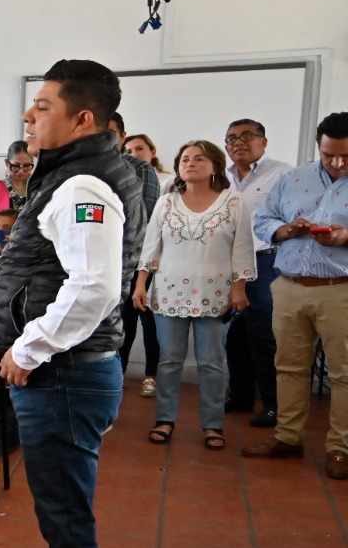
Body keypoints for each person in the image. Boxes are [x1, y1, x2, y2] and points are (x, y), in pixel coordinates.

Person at [0, 59, 144, 548]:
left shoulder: (85, 185)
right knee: (60, 518)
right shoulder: (79, 173)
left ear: (83, 118)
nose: (30, 115)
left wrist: (30, 345)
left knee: (68, 520)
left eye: (43, 106)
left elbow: (96, 287)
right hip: (65, 374)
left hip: (66, 376)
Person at [243, 112, 348, 480]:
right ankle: (288, 437)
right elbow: (263, 220)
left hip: (340, 291)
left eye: (346, 157)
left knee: (344, 374)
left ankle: (340, 449)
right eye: (329, 155)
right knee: (288, 367)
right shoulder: (294, 179)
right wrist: (286, 230)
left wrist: (344, 237)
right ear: (318, 147)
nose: (337, 164)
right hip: (289, 287)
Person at [134, 140, 256, 450]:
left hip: (214, 294)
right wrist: (140, 284)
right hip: (168, 293)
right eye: (185, 159)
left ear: (215, 166)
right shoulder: (166, 202)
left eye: (199, 159)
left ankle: (213, 425)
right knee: (169, 361)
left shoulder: (234, 203)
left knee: (212, 363)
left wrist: (239, 286)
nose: (190, 163)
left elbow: (242, 249)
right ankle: (164, 419)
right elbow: (151, 246)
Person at [222, 118, 291, 428]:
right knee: (235, 332)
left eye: (247, 136)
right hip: (226, 264)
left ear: (263, 141)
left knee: (263, 332)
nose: (239, 142)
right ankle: (241, 395)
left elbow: (292, 217)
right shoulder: (220, 178)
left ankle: (274, 405)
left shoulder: (283, 173)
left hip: (265, 261)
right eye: (232, 138)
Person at [116, 133, 166, 399]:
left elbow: (147, 223)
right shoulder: (121, 178)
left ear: (152, 151)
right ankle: (119, 372)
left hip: (151, 261)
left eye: (139, 149)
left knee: (150, 323)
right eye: (128, 150)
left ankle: (151, 376)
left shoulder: (165, 181)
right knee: (125, 322)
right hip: (125, 261)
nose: (133, 154)